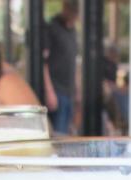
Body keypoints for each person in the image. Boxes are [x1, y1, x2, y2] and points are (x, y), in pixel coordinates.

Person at [45, 0, 79, 134]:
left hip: (68, 90)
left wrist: (77, 88)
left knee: (67, 131)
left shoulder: (72, 31)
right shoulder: (52, 28)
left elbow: (73, 60)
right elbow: (44, 61)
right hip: (56, 90)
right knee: (58, 135)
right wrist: (49, 91)